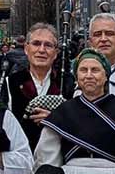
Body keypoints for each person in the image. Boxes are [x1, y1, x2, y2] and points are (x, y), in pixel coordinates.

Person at [8, 22, 70, 152]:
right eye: (36, 44)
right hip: (21, 159)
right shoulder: (11, 82)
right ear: (26, 48)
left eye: (48, 45)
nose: (41, 50)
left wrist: (55, 121)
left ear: (56, 53)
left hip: (58, 160)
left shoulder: (68, 83)